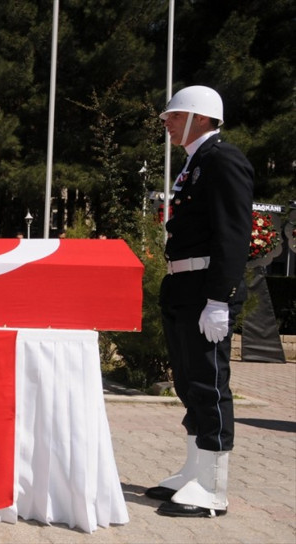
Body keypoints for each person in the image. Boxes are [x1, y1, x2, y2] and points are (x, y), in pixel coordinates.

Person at [145, 85, 253, 518]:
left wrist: (219, 299)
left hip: (206, 288)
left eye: (174, 115)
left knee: (209, 385)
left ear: (201, 118)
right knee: (190, 385)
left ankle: (213, 487)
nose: (167, 122)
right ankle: (194, 470)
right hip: (184, 287)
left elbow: (233, 233)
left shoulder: (223, 159)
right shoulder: (196, 162)